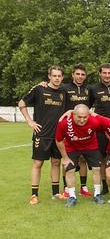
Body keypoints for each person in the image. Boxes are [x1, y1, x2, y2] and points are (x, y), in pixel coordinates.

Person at [19, 65, 67, 205]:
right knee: (38, 163)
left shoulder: (64, 92)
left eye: (59, 76)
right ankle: (34, 195)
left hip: (58, 135)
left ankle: (56, 193)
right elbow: (22, 103)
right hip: (42, 134)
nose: (57, 78)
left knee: (56, 162)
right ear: (49, 76)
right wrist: (30, 121)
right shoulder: (40, 89)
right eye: (54, 76)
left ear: (62, 77)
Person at [55, 104, 105, 207]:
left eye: (85, 117)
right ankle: (72, 197)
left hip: (91, 146)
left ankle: (97, 195)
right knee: (70, 169)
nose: (82, 120)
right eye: (79, 117)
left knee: (96, 168)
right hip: (72, 147)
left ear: (89, 115)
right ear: (73, 114)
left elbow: (106, 127)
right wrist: (65, 158)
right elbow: (59, 140)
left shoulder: (95, 121)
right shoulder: (64, 123)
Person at [88, 63, 110, 195]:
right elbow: (87, 107)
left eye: (109, 73)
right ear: (100, 74)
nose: (107, 75)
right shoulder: (93, 88)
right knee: (102, 158)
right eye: (104, 73)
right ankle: (105, 186)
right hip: (100, 129)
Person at [61, 63, 91, 198]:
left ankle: (83, 187)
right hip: (69, 128)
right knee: (67, 159)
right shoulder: (64, 88)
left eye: (83, 74)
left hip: (84, 127)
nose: (80, 76)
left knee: (83, 159)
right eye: (77, 74)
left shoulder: (89, 89)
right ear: (72, 74)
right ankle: (66, 188)